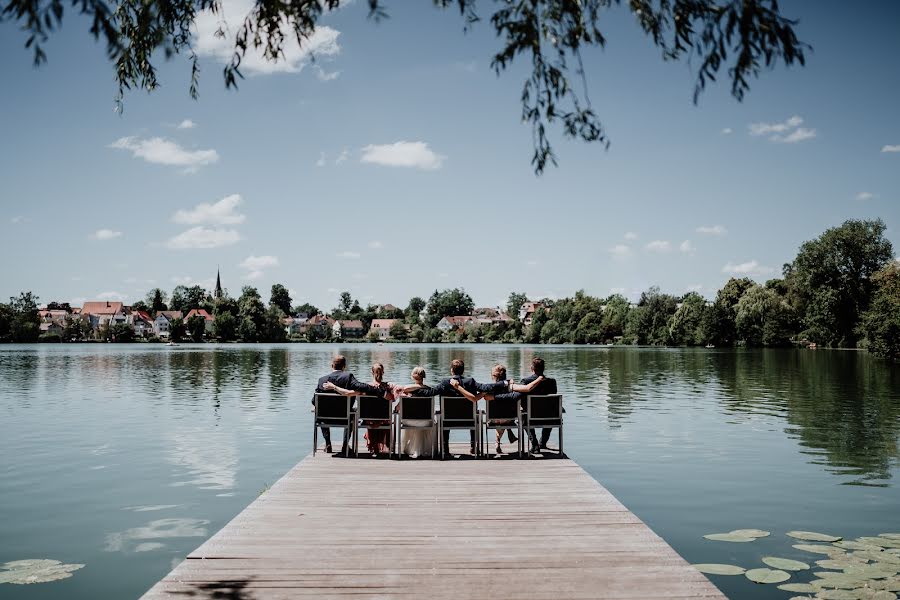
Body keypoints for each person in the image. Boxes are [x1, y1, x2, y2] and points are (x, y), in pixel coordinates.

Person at [449, 364, 546, 454]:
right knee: (507, 415)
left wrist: (493, 396)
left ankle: (497, 441)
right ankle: (501, 438)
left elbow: (479, 395)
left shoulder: (487, 391)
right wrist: (539, 379)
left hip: (493, 419)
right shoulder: (511, 387)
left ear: (493, 376)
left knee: (497, 417)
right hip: (509, 419)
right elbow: (523, 391)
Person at [427, 358, 512, 456]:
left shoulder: (445, 383)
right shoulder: (470, 382)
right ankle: (473, 447)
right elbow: (487, 387)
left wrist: (417, 387)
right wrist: (505, 383)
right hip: (469, 420)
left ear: (451, 370)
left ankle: (445, 450)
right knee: (475, 414)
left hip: (448, 420)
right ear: (463, 370)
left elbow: (430, 393)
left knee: (443, 415)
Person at [312, 355, 383, 455]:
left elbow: (314, 401)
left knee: (319, 411)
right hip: (344, 417)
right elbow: (362, 387)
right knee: (352, 413)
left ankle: (328, 443)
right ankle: (345, 445)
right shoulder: (348, 377)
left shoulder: (322, 380)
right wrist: (377, 390)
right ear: (344, 366)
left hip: (324, 418)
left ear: (332, 365)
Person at [324, 362, 393, 455]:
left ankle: (373, 445)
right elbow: (392, 398)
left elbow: (348, 393)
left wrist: (334, 387)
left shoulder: (365, 388)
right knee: (384, 418)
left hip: (369, 420)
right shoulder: (388, 388)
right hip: (384, 419)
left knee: (368, 416)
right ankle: (384, 445)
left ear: (372, 372)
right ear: (383, 372)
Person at [520, 357, 558, 453]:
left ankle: (535, 444)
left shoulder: (525, 381)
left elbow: (521, 400)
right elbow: (553, 401)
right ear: (543, 368)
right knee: (551, 411)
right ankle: (543, 443)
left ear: (532, 368)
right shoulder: (552, 382)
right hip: (550, 419)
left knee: (523, 416)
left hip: (530, 419)